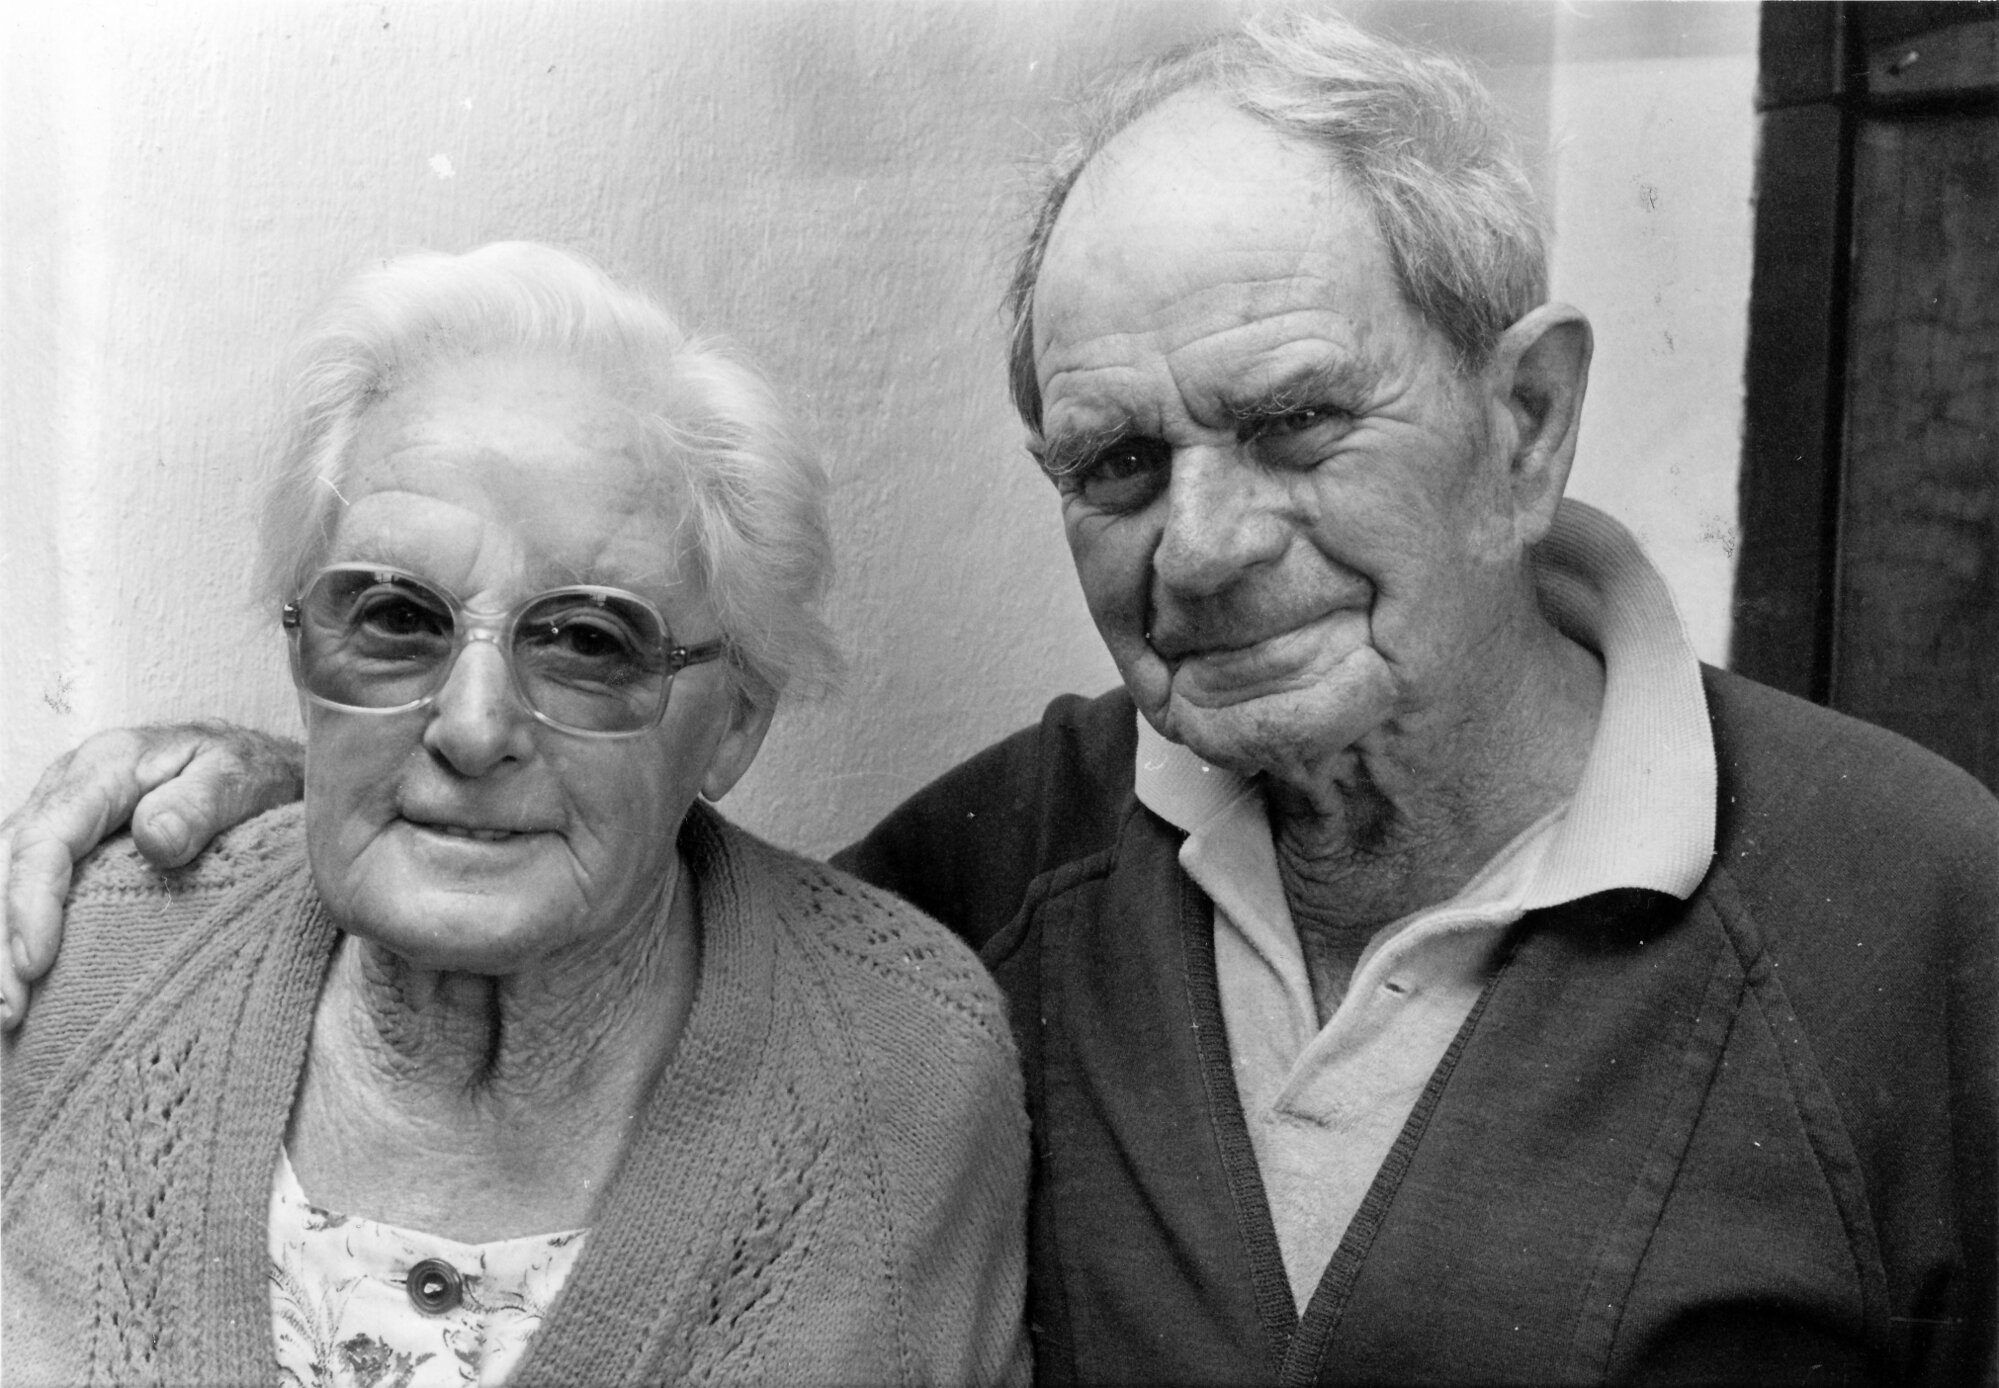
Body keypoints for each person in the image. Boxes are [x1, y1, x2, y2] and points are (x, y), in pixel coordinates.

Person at [6, 15, 1995, 1386]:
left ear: (1527, 421)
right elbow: (611, 873)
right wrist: (296, 791)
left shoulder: (1918, 911)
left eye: (1296, 422)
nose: (1204, 543)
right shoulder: (1013, 865)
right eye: (1115, 464)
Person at [0, 242, 1030, 1387]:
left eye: (590, 641)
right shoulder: (79, 965)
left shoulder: (906, 1070)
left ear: (735, 721)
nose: (472, 725)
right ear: (302, 651)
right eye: (393, 617)